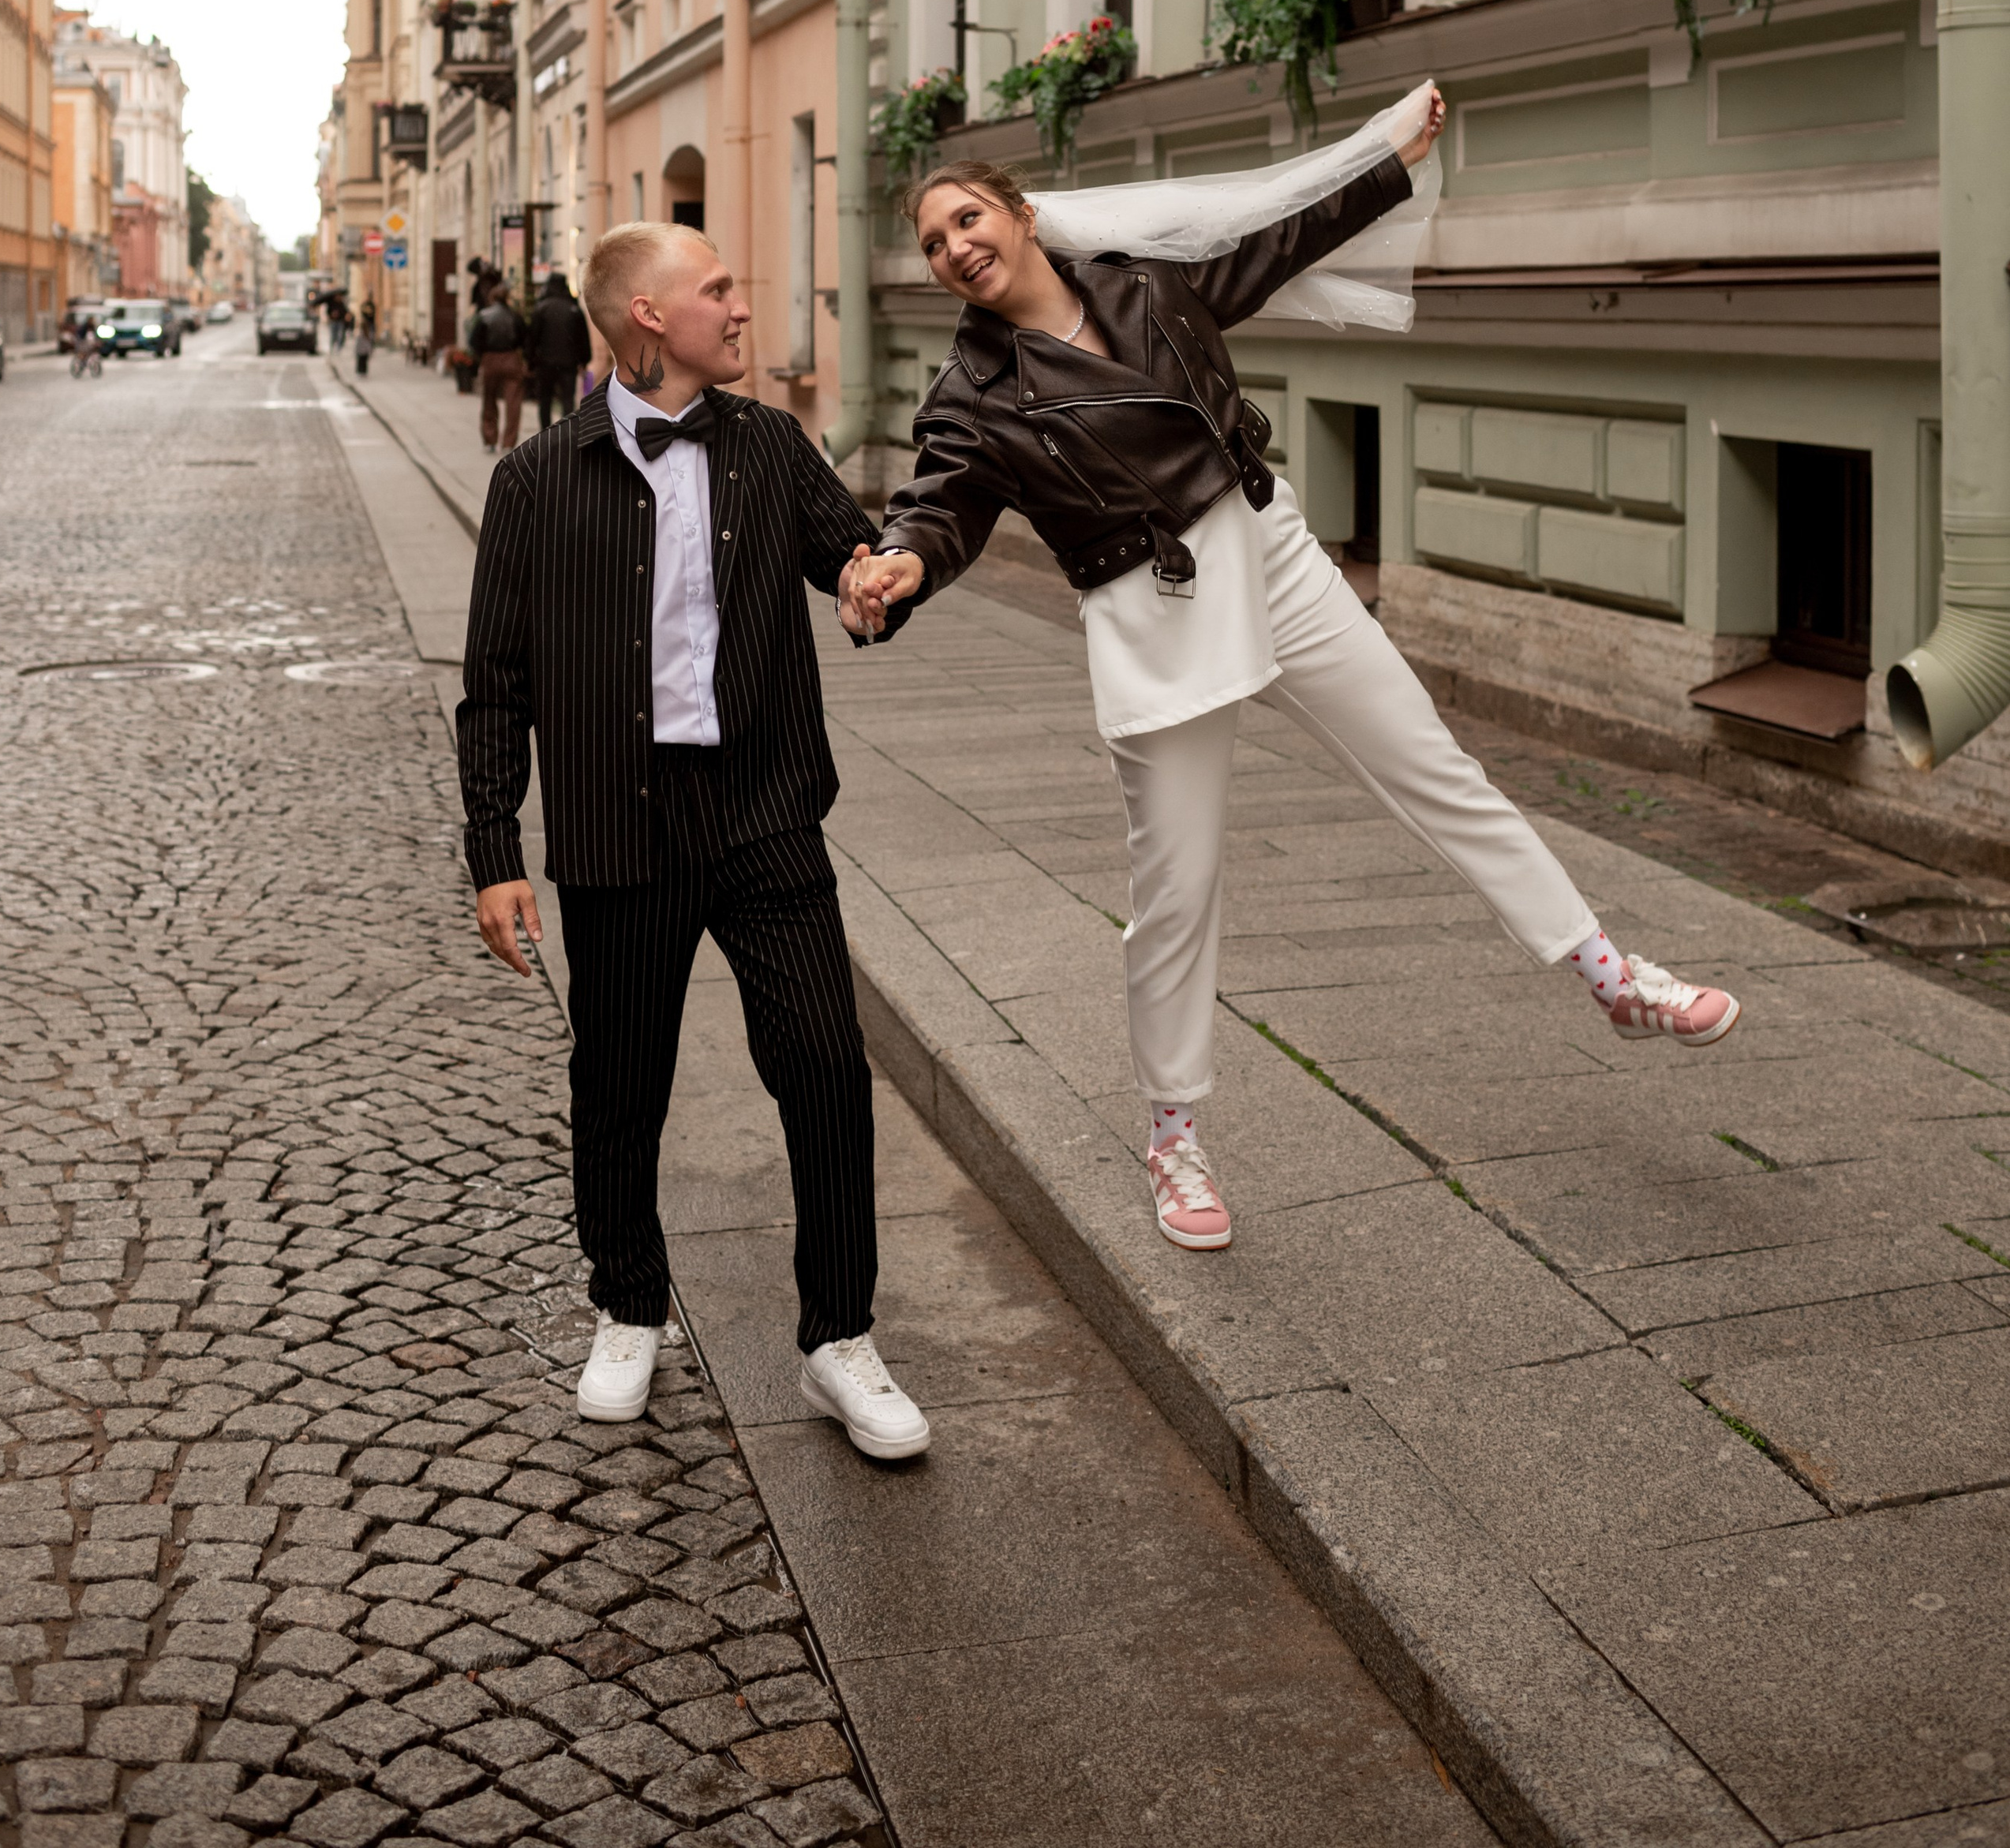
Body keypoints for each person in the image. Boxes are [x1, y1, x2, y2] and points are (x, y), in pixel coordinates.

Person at [843, 88, 1740, 1259]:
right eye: (934, 243)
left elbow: (1273, 240)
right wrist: (902, 562)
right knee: (1177, 890)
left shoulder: (1148, 281)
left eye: (969, 219)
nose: (957, 248)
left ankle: (1610, 973)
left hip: (1272, 549)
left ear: (1019, 215)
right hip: (1155, 612)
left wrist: (1383, 158)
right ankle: (1174, 1137)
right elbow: (940, 498)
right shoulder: (973, 394)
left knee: (1435, 767)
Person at [460, 219, 931, 1461]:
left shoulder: (771, 446)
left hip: (765, 808)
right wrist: (493, 847)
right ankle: (627, 1307)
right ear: (648, 318)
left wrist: (884, 579)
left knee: (826, 1069)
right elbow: (495, 684)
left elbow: (858, 554)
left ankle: (839, 1339)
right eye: (716, 286)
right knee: (619, 1086)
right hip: (619, 823)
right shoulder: (534, 481)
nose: (739, 302)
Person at [526, 267, 591, 432]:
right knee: (567, 399)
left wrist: (530, 361)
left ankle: (545, 432)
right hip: (568, 363)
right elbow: (583, 338)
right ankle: (567, 433)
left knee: (545, 399)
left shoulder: (541, 308)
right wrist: (584, 360)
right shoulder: (573, 309)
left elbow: (533, 338)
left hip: (545, 363)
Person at [467, 278, 528, 453]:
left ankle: (490, 438)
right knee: (513, 402)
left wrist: (481, 358)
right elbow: (525, 339)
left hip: (490, 360)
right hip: (511, 359)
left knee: (489, 400)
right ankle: (509, 442)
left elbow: (474, 342)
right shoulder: (515, 316)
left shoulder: (484, 316)